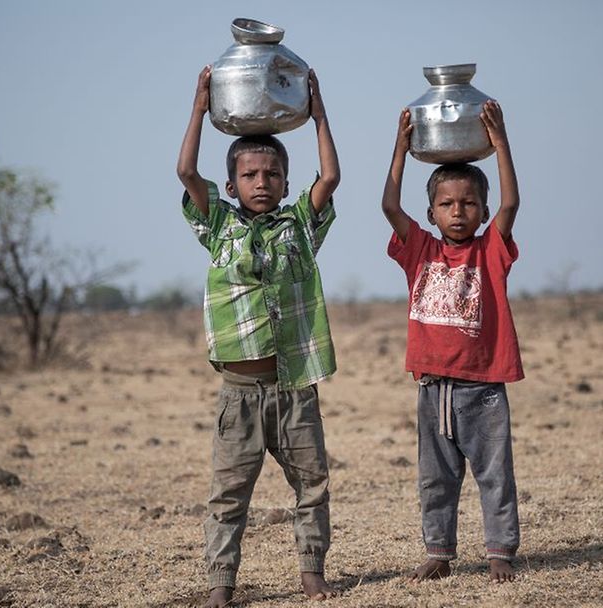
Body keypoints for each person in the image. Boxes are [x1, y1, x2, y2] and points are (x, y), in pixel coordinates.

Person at [175, 65, 341, 607]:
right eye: (250, 176)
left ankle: (312, 572)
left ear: (286, 183)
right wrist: (199, 107)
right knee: (228, 496)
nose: (262, 183)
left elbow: (331, 178)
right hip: (238, 396)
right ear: (232, 186)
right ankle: (221, 586)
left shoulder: (299, 226)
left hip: (294, 389)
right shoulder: (219, 226)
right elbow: (185, 172)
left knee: (312, 485)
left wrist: (317, 113)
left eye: (271, 175)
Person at [381, 100, 522, 584]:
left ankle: (500, 552)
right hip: (431, 389)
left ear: (481, 212)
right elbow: (388, 207)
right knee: (435, 480)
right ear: (431, 212)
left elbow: (511, 205)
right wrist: (400, 148)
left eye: (467, 204)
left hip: (482, 391)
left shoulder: (490, 251)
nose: (457, 212)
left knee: (494, 476)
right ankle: (438, 553)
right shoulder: (420, 248)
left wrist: (500, 142)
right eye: (447, 204)